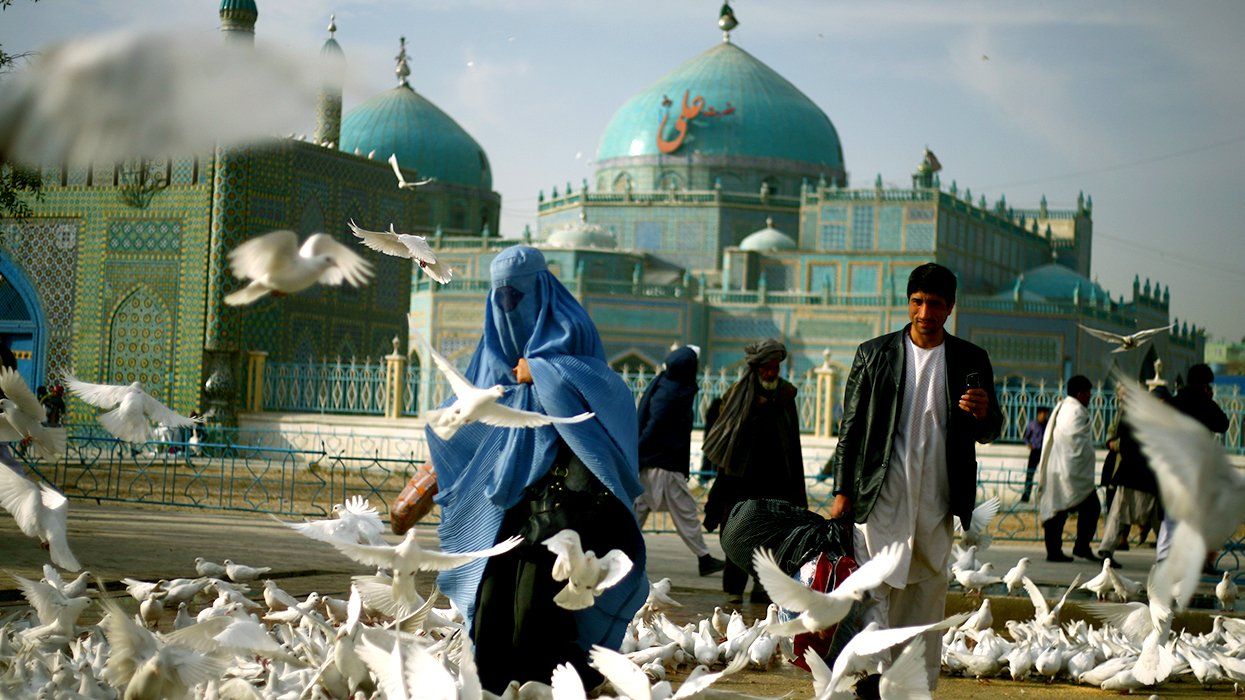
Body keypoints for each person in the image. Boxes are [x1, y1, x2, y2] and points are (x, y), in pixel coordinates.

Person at [424, 246, 648, 693]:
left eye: (517, 296)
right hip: (511, 511)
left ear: (540, 290)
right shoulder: (497, 354)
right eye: (500, 298)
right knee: (490, 611)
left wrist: (541, 372)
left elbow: (607, 393)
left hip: (569, 513)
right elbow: (460, 416)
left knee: (535, 615)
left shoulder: (571, 336)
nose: (509, 308)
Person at [826, 262, 1003, 688]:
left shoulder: (969, 359)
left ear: (950, 309)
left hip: (937, 496)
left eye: (935, 305)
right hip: (882, 491)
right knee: (873, 585)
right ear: (908, 303)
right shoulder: (874, 355)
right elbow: (850, 429)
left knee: (924, 589)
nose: (925, 313)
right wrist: (841, 491)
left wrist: (983, 414)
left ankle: (912, 686)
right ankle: (871, 677)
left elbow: (991, 430)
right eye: (917, 302)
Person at [702, 338, 806, 605]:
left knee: (771, 537)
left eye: (775, 368)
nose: (771, 374)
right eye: (766, 368)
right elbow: (727, 439)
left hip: (776, 479)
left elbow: (792, 443)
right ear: (756, 368)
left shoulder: (786, 395)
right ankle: (734, 588)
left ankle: (762, 588)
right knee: (738, 534)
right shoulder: (738, 396)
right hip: (741, 480)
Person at [634, 345, 726, 576]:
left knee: (638, 511)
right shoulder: (672, 394)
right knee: (684, 512)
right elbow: (654, 426)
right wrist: (638, 452)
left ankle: (620, 553)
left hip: (654, 461)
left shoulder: (667, 385)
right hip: (663, 463)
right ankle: (704, 558)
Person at [1157, 363, 1230, 567]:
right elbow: (1223, 424)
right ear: (1205, 384)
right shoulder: (1202, 402)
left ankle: (1164, 557)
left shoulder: (1176, 400)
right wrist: (1208, 400)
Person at [1037, 375, 1104, 564]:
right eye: (1089, 393)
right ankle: (1070, 548)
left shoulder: (1066, 408)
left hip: (1062, 470)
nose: (1090, 396)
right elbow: (1073, 443)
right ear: (1080, 393)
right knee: (1084, 508)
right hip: (1068, 473)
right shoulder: (1074, 412)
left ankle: (1068, 548)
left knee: (1059, 510)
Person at [1096, 385, 1164, 562]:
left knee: (1118, 513)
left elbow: (1123, 440)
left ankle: (1107, 548)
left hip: (1130, 473)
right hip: (1145, 475)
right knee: (1156, 517)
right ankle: (1168, 555)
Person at [1019, 405, 1049, 502]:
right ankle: (1026, 496)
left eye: (1045, 414)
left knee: (1046, 474)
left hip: (1044, 452)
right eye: (1042, 414)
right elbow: (1026, 437)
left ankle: (1045, 498)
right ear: (1038, 414)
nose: (1043, 416)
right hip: (1034, 452)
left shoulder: (1048, 425)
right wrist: (1029, 445)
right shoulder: (1032, 425)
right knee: (1030, 474)